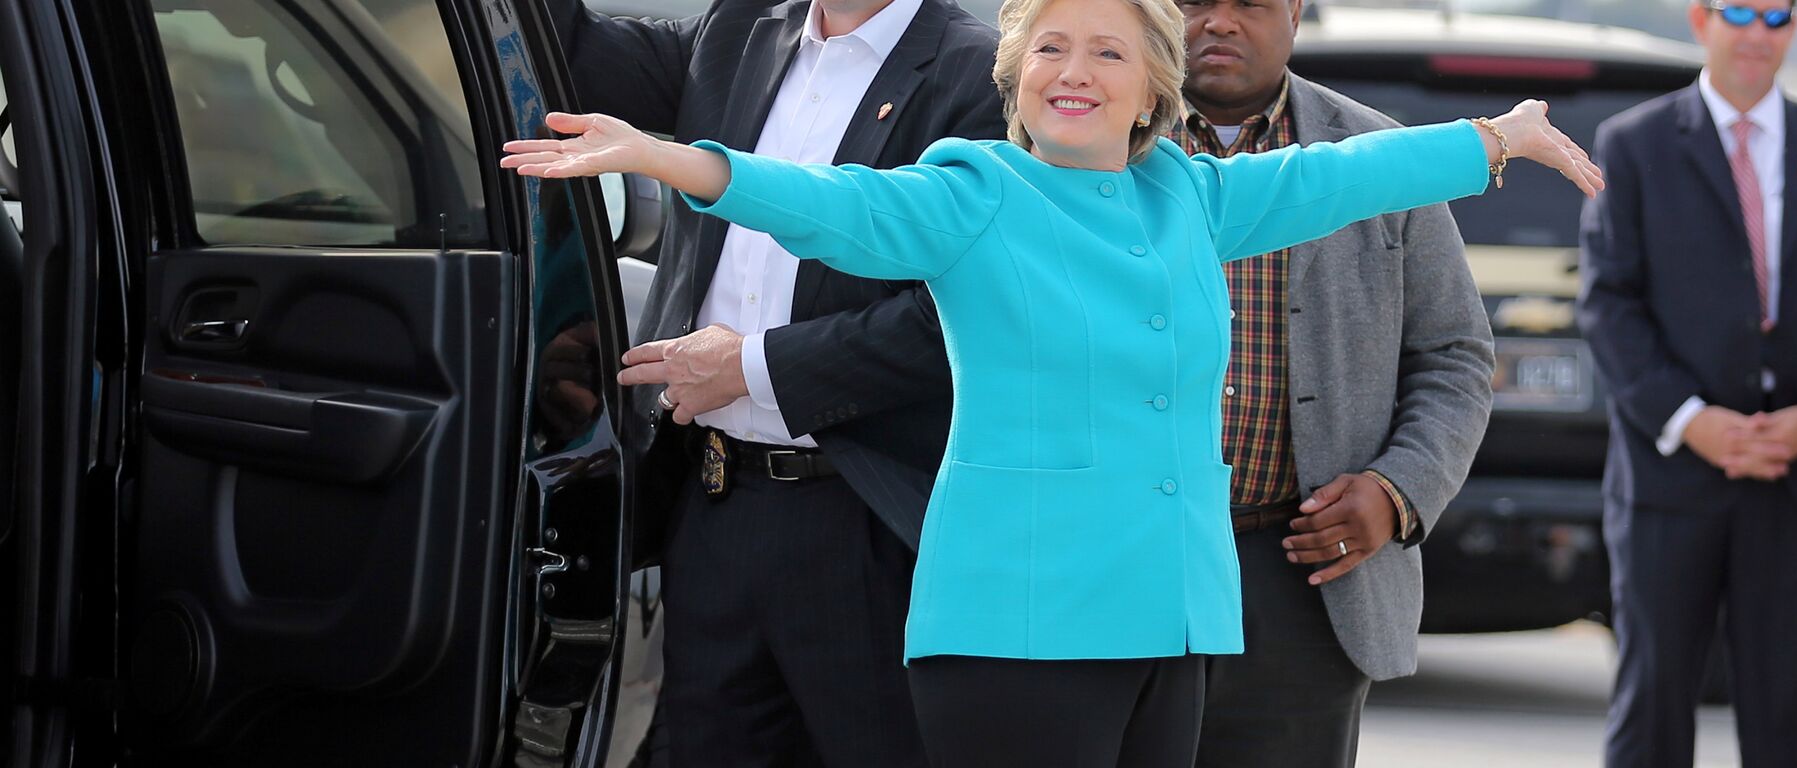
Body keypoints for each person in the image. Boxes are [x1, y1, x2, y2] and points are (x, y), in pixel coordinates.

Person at [506, 0, 1600, 762]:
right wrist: (659, 157)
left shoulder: (1189, 195)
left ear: (1151, 90)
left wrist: (1493, 140)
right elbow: (823, 200)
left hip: (1170, 622)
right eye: (1053, 50)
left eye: (1110, 54)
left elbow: (1340, 176)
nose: (1077, 72)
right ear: (1018, 77)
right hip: (1015, 629)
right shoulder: (975, 188)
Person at [541, 0, 1001, 765]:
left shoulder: (978, 73)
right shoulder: (738, 28)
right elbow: (560, 44)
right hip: (716, 505)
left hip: (868, 520)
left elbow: (958, 318)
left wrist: (753, 367)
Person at [1167, 1, 1494, 765]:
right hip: (1132, 564)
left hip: (1304, 573)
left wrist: (1397, 491)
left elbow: (1456, 355)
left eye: (1247, 2)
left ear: (1295, 10)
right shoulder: (1101, 147)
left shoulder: (1380, 155)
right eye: (1193, 2)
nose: (1218, 23)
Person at [1577, 2, 1797, 766]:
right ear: (1700, 21)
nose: (1758, 30)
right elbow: (1607, 302)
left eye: (1778, 13)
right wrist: (1692, 420)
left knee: (1788, 723)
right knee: (1652, 713)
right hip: (1670, 481)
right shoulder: (1634, 146)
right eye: (1739, 10)